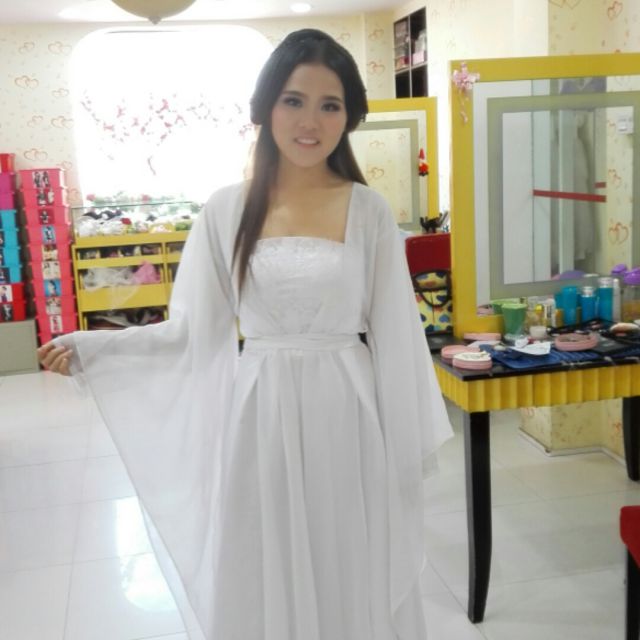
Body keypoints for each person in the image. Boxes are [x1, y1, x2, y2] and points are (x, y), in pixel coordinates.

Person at [38, 29, 452, 640]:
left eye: (330, 105)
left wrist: (400, 452)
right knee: (265, 555)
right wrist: (95, 348)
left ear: (348, 118)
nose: (310, 122)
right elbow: (191, 331)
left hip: (346, 411)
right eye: (294, 100)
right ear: (265, 107)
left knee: (345, 552)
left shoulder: (368, 210)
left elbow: (397, 339)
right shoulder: (226, 209)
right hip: (260, 413)